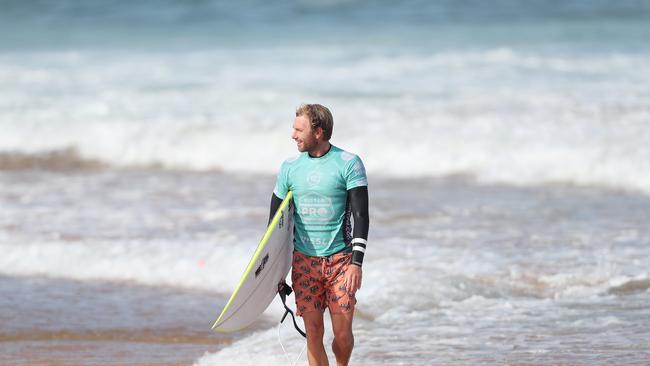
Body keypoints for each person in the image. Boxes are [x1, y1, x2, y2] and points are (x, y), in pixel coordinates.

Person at [269, 104, 369, 366]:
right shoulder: (290, 167)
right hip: (304, 261)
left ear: (319, 132)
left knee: (343, 335)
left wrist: (356, 263)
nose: (293, 135)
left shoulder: (348, 163)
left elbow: (361, 216)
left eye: (299, 129)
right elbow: (274, 225)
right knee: (313, 333)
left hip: (341, 262)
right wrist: (274, 273)